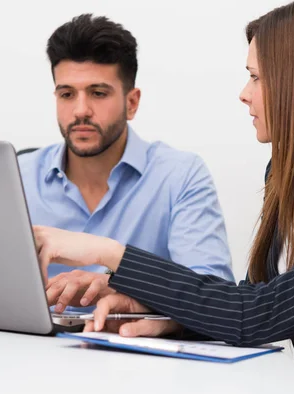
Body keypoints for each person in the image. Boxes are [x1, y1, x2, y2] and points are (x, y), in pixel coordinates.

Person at [32, 0, 294, 394]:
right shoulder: (291, 175)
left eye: (256, 77)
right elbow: (253, 299)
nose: (244, 93)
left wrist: (105, 253)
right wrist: (157, 311)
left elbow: (257, 314)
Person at [19, 14, 235, 312]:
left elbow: (215, 295)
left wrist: (130, 291)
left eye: (98, 93)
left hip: (135, 351)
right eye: (67, 94)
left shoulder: (179, 175)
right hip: (31, 349)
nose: (81, 111)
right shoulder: (19, 176)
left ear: (131, 103)